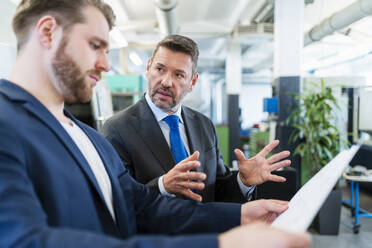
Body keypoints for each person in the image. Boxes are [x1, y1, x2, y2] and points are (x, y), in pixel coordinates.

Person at [0, 1, 311, 247]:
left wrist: (240, 214)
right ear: (48, 32)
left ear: (192, 82)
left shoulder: (87, 138)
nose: (106, 64)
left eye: (107, 50)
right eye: (95, 45)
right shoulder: (7, 124)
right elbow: (23, 241)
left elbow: (144, 207)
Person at [103, 34, 292, 203]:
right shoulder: (117, 129)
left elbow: (218, 190)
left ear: (192, 82)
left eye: (178, 75)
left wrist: (242, 181)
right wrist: (162, 186)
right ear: (148, 67)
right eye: (160, 69)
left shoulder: (204, 125)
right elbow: (118, 198)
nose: (166, 82)